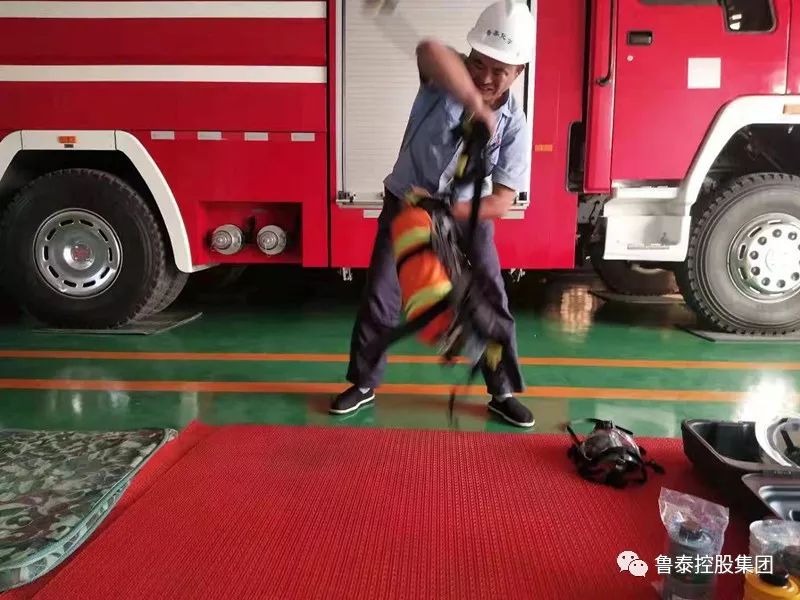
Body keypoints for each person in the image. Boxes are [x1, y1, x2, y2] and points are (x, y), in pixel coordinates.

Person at [330, 0, 536, 428]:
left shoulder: (516, 125)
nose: (485, 76)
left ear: (519, 71)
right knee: (382, 294)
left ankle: (502, 391)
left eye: (500, 70)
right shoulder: (444, 79)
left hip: (465, 214)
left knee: (491, 296)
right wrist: (475, 104)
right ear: (469, 55)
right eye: (479, 62)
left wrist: (447, 210)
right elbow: (428, 49)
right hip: (406, 203)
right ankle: (364, 382)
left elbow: (501, 200)